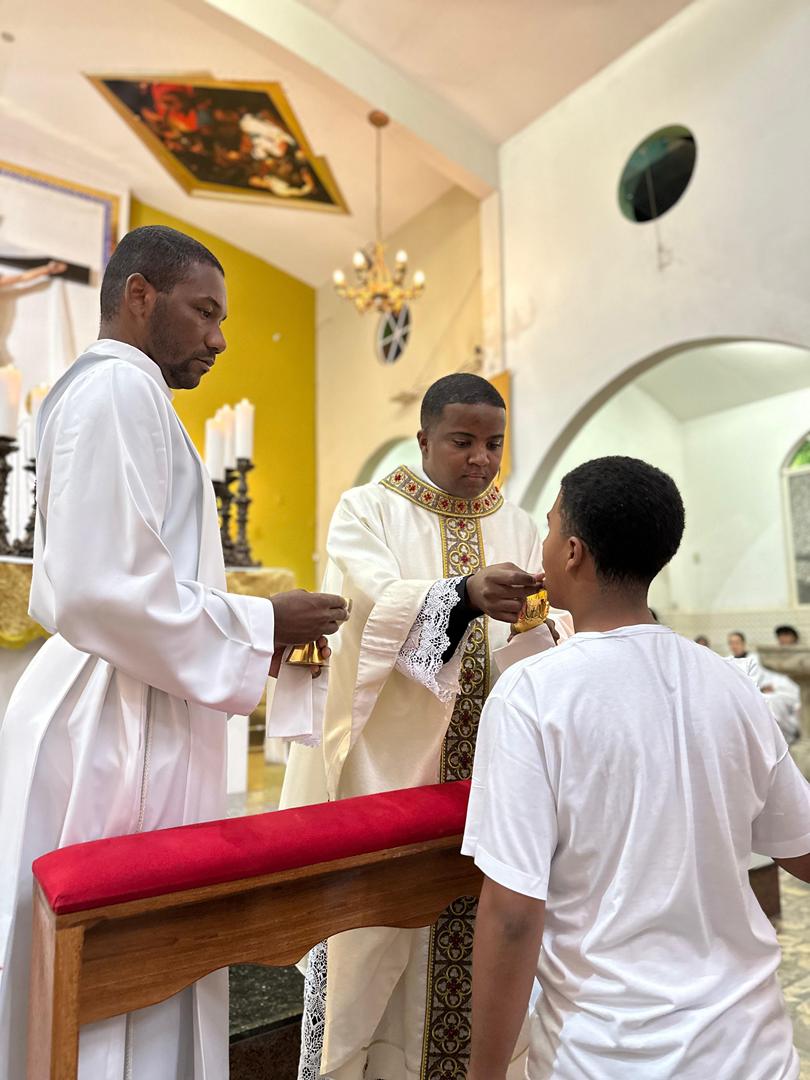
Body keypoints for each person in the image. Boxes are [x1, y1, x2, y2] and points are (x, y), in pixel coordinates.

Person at [0, 225, 348, 1080]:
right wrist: (261, 623)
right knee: (116, 984)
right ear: (139, 296)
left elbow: (138, 581)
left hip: (129, 697)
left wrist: (256, 633)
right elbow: (100, 588)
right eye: (205, 312)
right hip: (110, 721)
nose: (220, 339)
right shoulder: (119, 388)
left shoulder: (129, 393)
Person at [464, 455, 810, 1080]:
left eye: (549, 528)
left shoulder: (531, 692)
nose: (543, 544)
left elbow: (513, 915)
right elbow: (804, 849)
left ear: (572, 553)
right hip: (749, 1048)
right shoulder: (731, 683)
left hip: (606, 1054)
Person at [281, 372, 572, 1080]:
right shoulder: (369, 510)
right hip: (392, 774)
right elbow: (371, 610)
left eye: (494, 444)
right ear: (423, 439)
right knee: (372, 944)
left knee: (487, 937)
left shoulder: (520, 523)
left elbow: (555, 626)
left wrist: (535, 619)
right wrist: (463, 597)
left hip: (492, 780)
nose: (481, 459)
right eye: (462, 442)